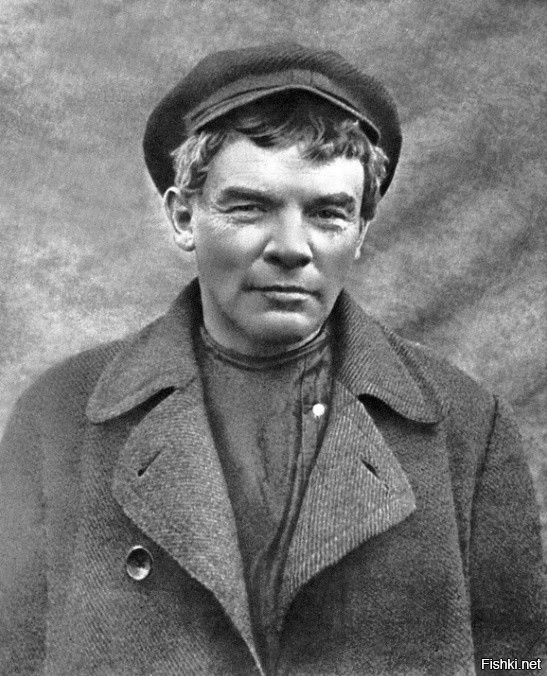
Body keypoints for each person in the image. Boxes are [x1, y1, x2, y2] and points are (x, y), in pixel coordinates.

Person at [0, 43, 545, 676]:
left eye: (328, 214)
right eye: (250, 207)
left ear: (362, 231)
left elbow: (518, 666)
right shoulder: (60, 419)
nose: (291, 247)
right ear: (183, 216)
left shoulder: (467, 428)